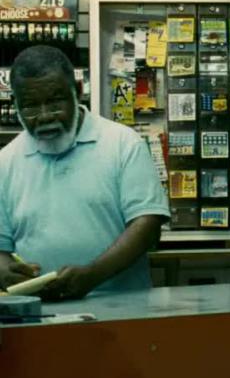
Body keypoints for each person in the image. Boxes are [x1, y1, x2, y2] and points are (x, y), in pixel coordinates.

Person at [0, 46, 170, 300]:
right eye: (30, 106)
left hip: (122, 310)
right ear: (16, 104)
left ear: (78, 91)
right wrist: (5, 273)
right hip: (38, 313)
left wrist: (92, 275)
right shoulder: (5, 162)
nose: (44, 116)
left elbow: (147, 226)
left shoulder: (123, 144)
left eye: (55, 102)